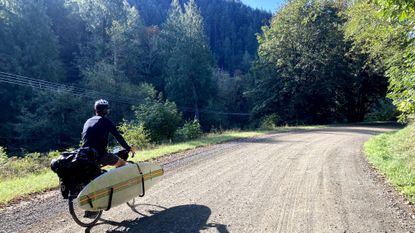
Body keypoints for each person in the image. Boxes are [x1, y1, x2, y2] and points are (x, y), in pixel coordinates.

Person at [82, 99, 131, 168]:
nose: (108, 110)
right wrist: (128, 148)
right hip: (100, 155)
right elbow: (118, 136)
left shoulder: (88, 121)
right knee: (123, 164)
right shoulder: (105, 121)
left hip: (86, 155)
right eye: (107, 108)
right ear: (105, 110)